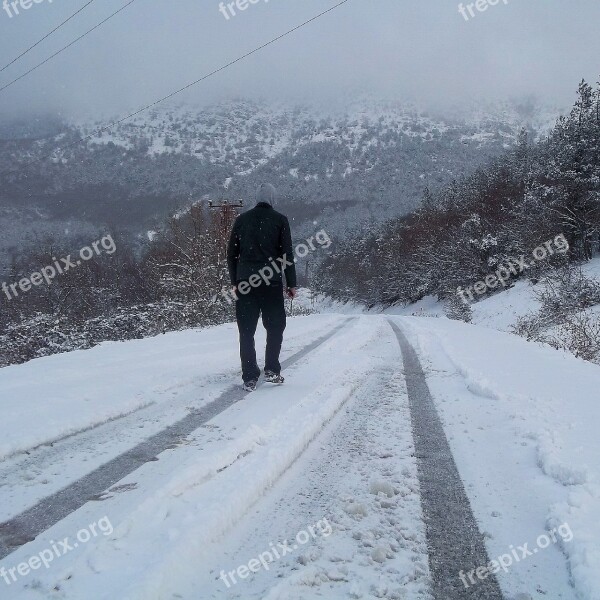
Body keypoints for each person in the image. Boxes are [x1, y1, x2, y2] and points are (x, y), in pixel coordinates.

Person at [227, 183, 297, 392]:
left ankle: (249, 377)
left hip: (246, 283)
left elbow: (231, 254)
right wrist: (291, 283)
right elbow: (287, 255)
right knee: (275, 326)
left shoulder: (241, 220)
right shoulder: (280, 220)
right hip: (270, 282)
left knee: (246, 330)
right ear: (272, 199)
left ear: (256, 198)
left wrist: (235, 281)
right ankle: (272, 370)